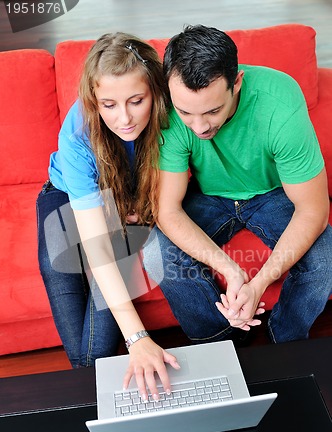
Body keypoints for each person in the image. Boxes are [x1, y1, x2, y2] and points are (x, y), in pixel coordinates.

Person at [143, 24, 332, 343]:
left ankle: (282, 346)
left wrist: (258, 284)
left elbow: (313, 211)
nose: (200, 126)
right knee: (154, 251)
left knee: (324, 257)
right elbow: (167, 211)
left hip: (272, 194)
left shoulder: (279, 104)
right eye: (186, 112)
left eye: (213, 110)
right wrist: (231, 270)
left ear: (237, 83)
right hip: (208, 196)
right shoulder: (166, 109)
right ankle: (220, 341)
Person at [37, 32, 180, 400]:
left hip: (128, 200)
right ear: (93, 101)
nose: (125, 118)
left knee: (95, 353)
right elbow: (96, 247)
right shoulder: (77, 133)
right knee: (57, 266)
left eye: (136, 101)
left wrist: (136, 210)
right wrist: (138, 338)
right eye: (109, 105)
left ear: (155, 92)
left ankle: (102, 396)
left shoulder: (172, 114)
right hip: (67, 194)